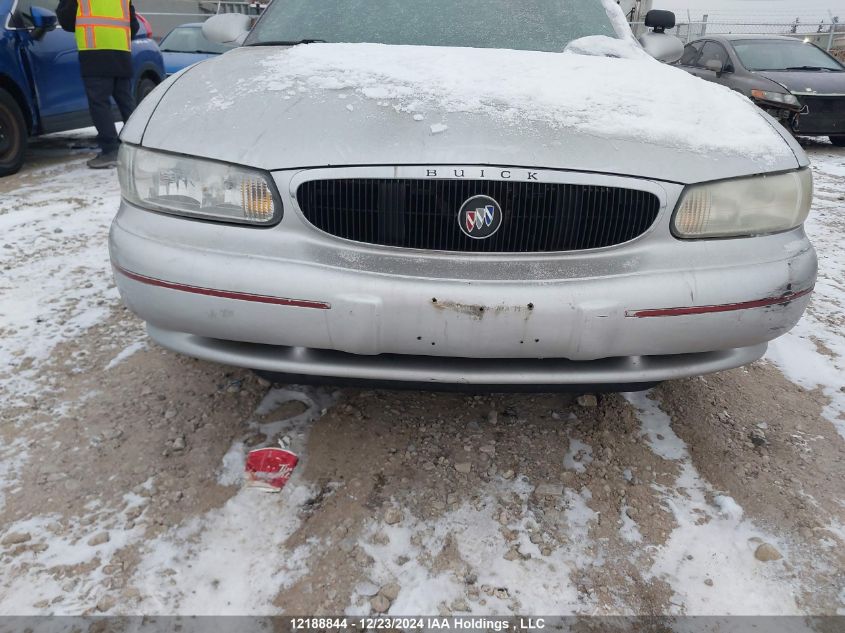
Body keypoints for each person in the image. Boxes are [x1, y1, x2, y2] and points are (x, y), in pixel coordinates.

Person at [56, 0, 140, 169]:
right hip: (121, 52)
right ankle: (139, 146)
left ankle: (110, 151)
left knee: (99, 104)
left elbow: (66, 21)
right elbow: (134, 26)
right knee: (126, 102)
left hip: (95, 52)